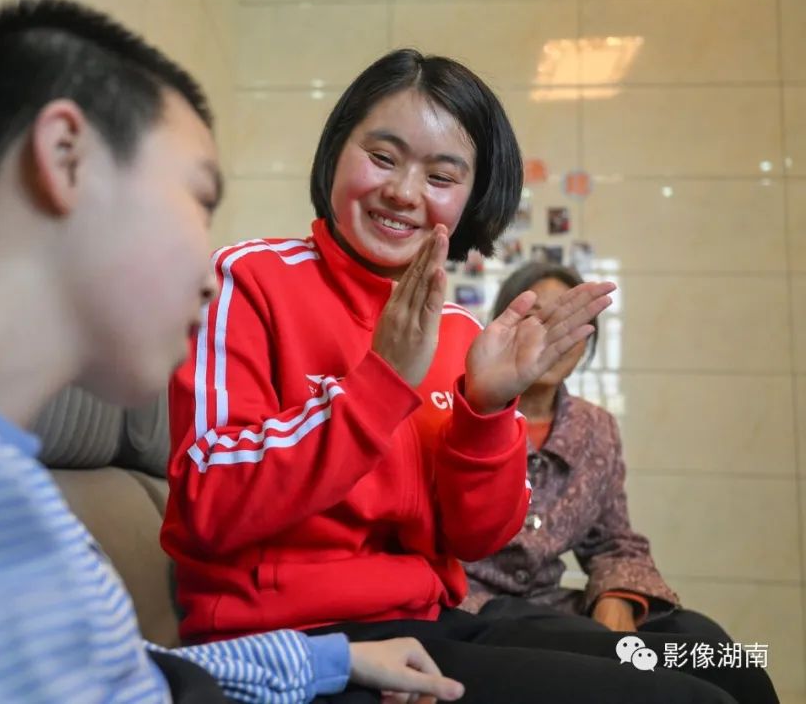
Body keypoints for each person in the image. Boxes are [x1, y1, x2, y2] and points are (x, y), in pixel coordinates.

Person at [0, 0, 467, 703]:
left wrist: (325, 662)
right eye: (195, 201)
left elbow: (120, 677)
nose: (209, 273)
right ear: (64, 161)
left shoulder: (21, 506)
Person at [163, 49, 777, 703]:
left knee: (727, 666)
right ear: (336, 151)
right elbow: (207, 504)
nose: (404, 192)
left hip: (433, 621)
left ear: (470, 196)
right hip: (300, 638)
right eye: (383, 156)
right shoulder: (247, 279)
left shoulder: (458, 332)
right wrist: (380, 383)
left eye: (441, 175)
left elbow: (477, 537)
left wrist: (486, 408)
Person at [462, 261, 735, 645]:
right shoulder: (465, 408)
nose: (552, 337)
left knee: (701, 640)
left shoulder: (595, 429)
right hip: (467, 609)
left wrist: (617, 597)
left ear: (587, 342)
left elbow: (613, 541)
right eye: (536, 319)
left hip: (547, 606)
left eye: (571, 323)